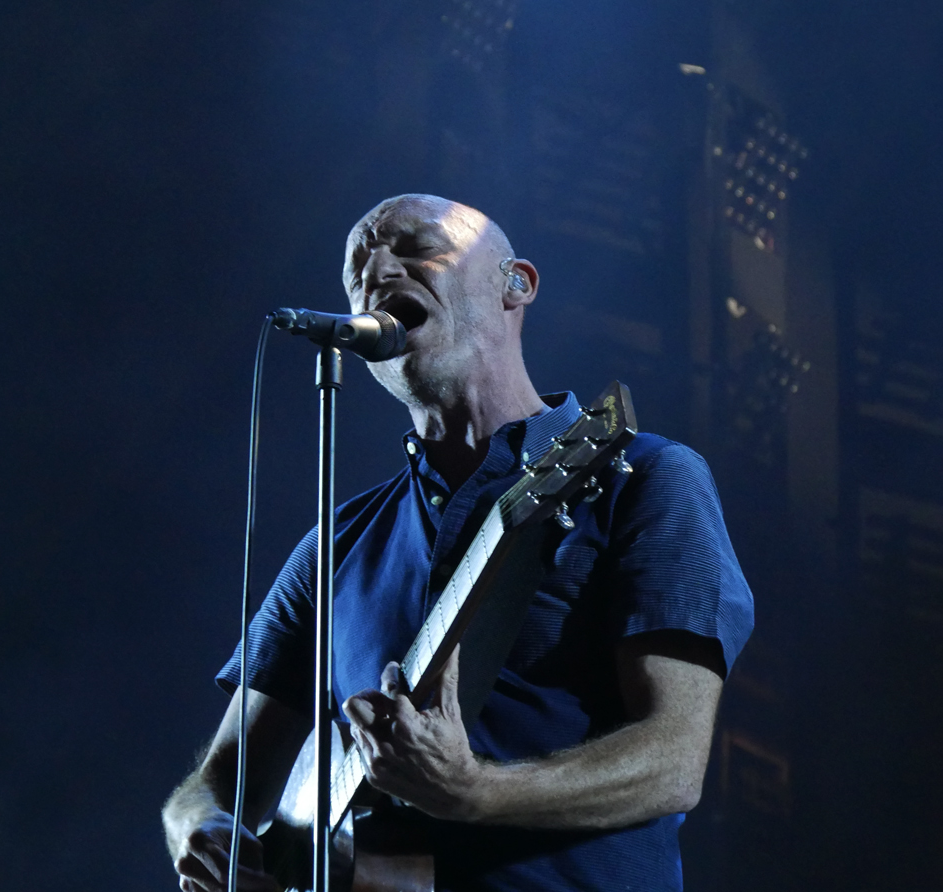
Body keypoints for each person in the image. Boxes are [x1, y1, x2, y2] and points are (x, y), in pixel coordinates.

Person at [162, 194, 753, 891]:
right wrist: (200, 828)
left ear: (515, 284)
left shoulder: (646, 476)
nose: (379, 272)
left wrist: (475, 792)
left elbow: (674, 763)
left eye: (416, 248)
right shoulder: (333, 547)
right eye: (358, 271)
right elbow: (217, 784)